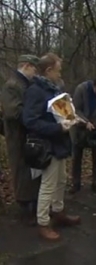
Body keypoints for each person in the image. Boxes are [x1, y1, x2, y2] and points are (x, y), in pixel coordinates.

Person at [22, 53, 80, 240]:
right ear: (48, 70)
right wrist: (57, 127)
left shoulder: (53, 88)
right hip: (47, 145)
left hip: (60, 143)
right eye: (58, 70)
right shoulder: (36, 91)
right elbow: (29, 121)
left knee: (61, 180)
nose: (60, 74)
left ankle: (58, 212)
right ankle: (43, 222)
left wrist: (70, 115)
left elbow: (57, 111)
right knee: (48, 185)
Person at [1, 55, 41, 226]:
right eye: (34, 68)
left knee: (31, 172)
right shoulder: (12, 86)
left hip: (29, 135)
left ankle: (32, 204)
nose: (35, 72)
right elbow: (13, 113)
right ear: (25, 66)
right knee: (21, 170)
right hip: (17, 136)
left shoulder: (28, 84)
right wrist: (34, 114)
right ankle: (25, 208)